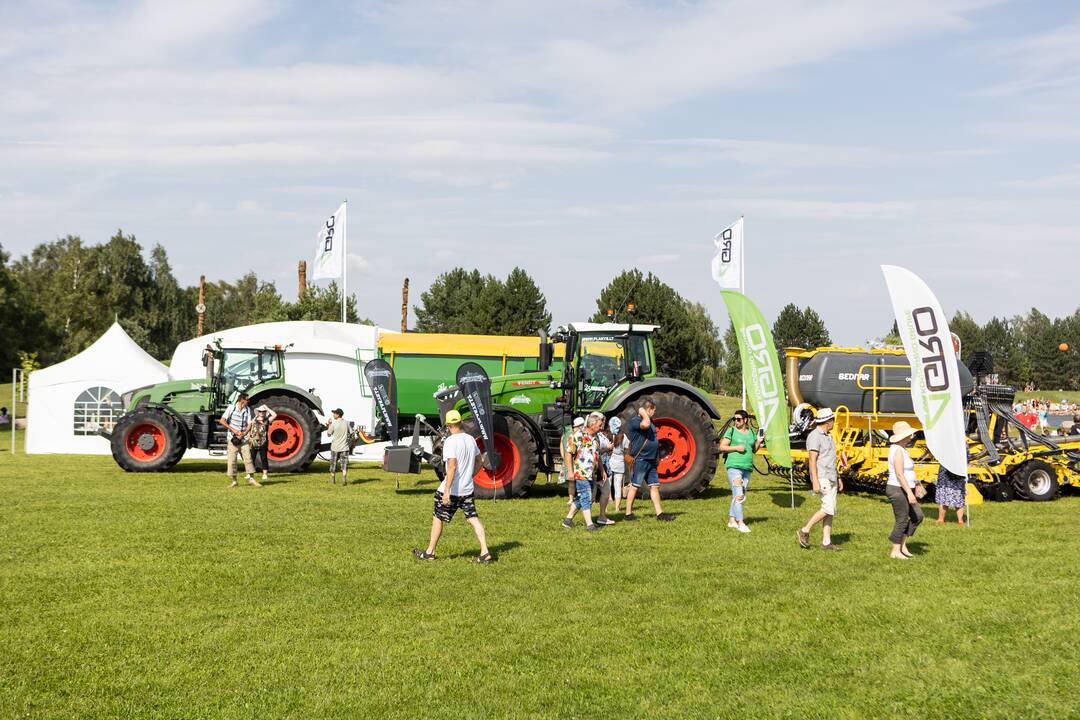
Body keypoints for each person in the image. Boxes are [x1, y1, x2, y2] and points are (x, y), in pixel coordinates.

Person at [412, 410, 492, 563]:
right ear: (460, 422)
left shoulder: (450, 442)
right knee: (473, 518)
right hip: (467, 489)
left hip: (453, 489)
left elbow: (452, 467)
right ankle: (484, 551)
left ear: (448, 425)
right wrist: (470, 476)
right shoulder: (470, 439)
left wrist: (446, 492)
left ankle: (430, 552)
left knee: (437, 518)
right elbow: (480, 460)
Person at [797, 407, 841, 550]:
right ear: (827, 421)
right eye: (832, 419)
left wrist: (838, 477)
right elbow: (812, 460)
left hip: (831, 476)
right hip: (822, 477)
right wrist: (815, 481)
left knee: (830, 510)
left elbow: (831, 459)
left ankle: (826, 542)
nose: (834, 422)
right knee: (827, 508)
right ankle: (804, 530)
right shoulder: (815, 436)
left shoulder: (828, 436)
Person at [624, 399, 674, 521]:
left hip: (651, 460)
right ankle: (628, 514)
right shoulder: (636, 421)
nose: (654, 413)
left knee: (655, 486)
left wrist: (656, 457)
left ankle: (659, 514)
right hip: (641, 459)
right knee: (635, 486)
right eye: (653, 411)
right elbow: (645, 425)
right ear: (648, 409)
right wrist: (643, 413)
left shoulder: (650, 421)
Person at [719, 410, 762, 533]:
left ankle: (732, 520)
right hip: (734, 467)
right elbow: (721, 447)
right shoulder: (731, 431)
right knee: (739, 496)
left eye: (738, 419)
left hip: (747, 467)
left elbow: (754, 450)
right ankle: (741, 523)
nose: (736, 422)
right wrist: (736, 448)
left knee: (738, 494)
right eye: (734, 419)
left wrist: (758, 441)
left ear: (745, 420)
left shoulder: (751, 433)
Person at [886, 421, 925, 559]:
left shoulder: (902, 449)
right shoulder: (897, 451)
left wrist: (917, 483)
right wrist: (909, 493)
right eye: (909, 434)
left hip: (905, 488)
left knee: (917, 517)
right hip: (897, 489)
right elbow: (899, 474)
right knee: (902, 519)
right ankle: (895, 551)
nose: (912, 436)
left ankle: (902, 544)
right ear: (903, 436)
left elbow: (908, 472)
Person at [563, 414, 602, 531]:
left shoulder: (596, 438)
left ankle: (568, 520)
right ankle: (590, 525)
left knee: (581, 498)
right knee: (586, 496)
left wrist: (601, 470)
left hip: (591, 474)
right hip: (581, 473)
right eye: (599, 425)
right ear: (592, 424)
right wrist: (570, 471)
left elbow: (597, 456)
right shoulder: (578, 436)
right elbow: (568, 453)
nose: (601, 427)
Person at [218, 392, 260, 488]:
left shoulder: (248, 410)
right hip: (232, 439)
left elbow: (249, 423)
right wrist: (234, 431)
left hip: (243, 439)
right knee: (232, 460)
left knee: (248, 458)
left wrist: (244, 433)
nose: (249, 401)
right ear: (242, 400)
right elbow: (222, 420)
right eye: (247, 400)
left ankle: (251, 479)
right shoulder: (231, 408)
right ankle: (234, 481)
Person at [590, 411, 616, 525]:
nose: (603, 423)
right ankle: (588, 519)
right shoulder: (591, 435)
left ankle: (602, 516)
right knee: (591, 495)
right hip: (594, 469)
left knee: (606, 492)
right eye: (601, 421)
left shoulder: (602, 434)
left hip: (604, 466)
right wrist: (607, 448)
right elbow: (596, 452)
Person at [248, 404, 277, 484]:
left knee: (263, 458)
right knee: (251, 458)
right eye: (260, 411)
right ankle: (250, 474)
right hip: (254, 441)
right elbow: (250, 426)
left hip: (263, 441)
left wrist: (267, 408)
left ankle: (265, 474)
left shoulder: (267, 420)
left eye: (263, 411)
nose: (262, 413)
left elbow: (275, 415)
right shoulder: (254, 420)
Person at [606, 417, 629, 514]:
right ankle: (617, 508)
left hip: (610, 461)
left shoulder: (608, 436)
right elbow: (627, 450)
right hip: (620, 462)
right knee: (618, 486)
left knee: (607, 485)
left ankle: (605, 508)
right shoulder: (624, 437)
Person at [326, 408, 350, 485]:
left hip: (335, 447)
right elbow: (352, 433)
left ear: (338, 414)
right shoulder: (347, 423)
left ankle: (333, 480)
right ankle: (344, 479)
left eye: (334, 413)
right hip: (344, 447)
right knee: (344, 464)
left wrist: (329, 425)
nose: (333, 415)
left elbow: (329, 434)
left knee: (333, 464)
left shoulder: (333, 424)